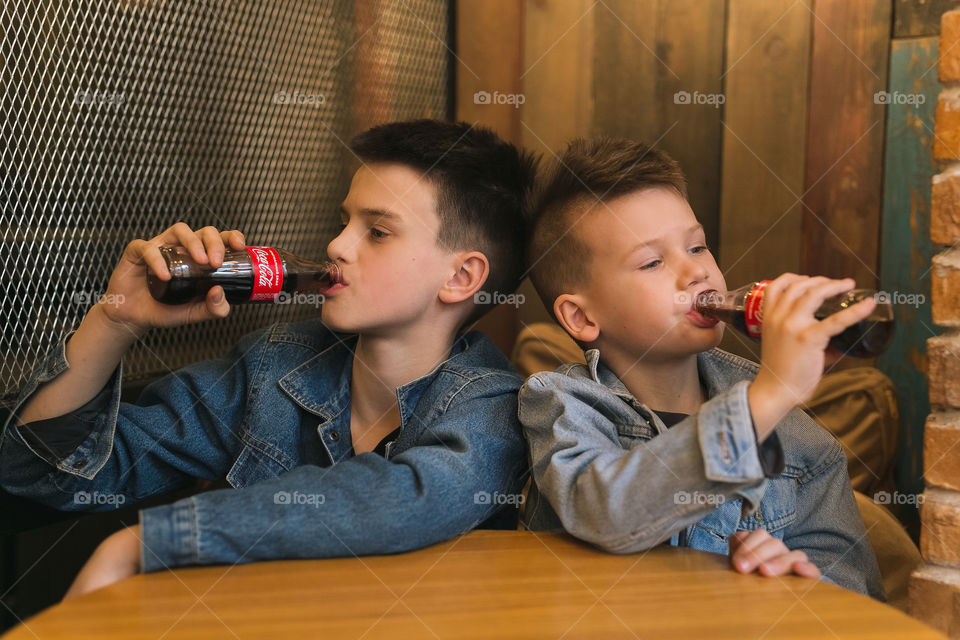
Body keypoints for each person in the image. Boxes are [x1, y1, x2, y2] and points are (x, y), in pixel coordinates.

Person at [0, 119, 538, 598]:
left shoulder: (491, 403)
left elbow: (410, 499)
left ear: (461, 278)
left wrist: (151, 542)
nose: (337, 246)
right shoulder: (273, 366)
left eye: (376, 231)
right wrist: (116, 320)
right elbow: (43, 476)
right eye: (344, 221)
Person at [519, 136, 884, 598]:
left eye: (697, 247)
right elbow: (606, 512)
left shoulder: (791, 431)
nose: (696, 273)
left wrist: (797, 583)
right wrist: (766, 398)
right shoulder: (561, 404)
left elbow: (860, 600)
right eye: (652, 261)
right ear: (582, 317)